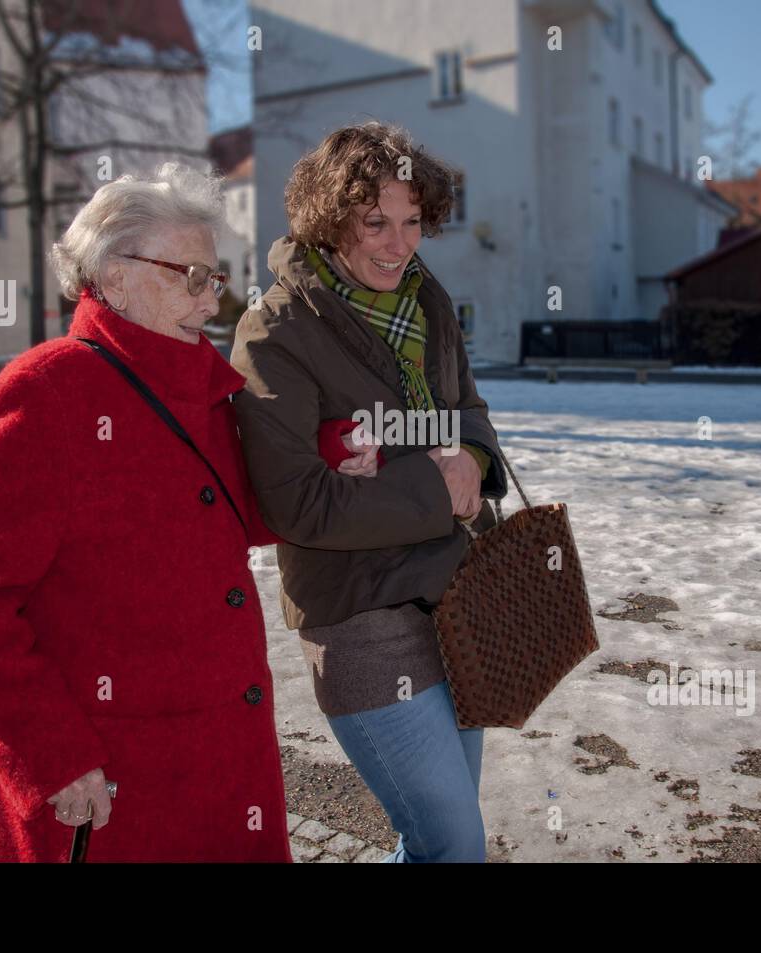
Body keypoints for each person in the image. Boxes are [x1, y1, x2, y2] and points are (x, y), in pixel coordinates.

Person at [0, 163, 291, 862]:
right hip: (116, 786)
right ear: (115, 273)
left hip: (222, 762)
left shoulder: (193, 384)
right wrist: (48, 753)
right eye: (193, 276)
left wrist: (329, 455)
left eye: (216, 278)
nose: (212, 302)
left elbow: (237, 511)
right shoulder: (50, 391)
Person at [231, 121, 509, 862]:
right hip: (358, 613)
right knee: (454, 843)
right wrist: (435, 482)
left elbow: (471, 415)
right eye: (375, 221)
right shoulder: (276, 331)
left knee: (434, 840)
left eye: (412, 221)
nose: (397, 243)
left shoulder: (429, 303)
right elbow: (301, 505)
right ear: (330, 219)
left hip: (455, 602)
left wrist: (474, 466)